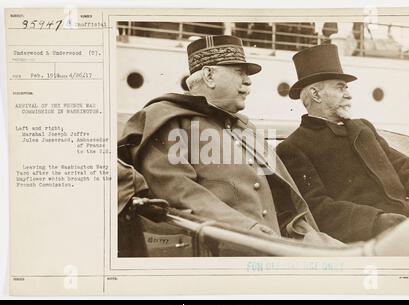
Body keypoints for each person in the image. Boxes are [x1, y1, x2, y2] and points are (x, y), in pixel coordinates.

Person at [118, 35, 341, 246]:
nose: (248, 82)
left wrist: (314, 240)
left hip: (275, 248)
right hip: (227, 251)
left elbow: (284, 202)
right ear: (209, 76)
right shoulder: (169, 121)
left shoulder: (245, 129)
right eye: (239, 72)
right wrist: (247, 228)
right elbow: (179, 193)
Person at [276, 44, 409, 243]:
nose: (349, 95)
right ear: (316, 94)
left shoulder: (363, 127)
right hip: (373, 238)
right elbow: (317, 208)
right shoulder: (293, 147)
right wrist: (377, 222)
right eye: (340, 87)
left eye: (347, 88)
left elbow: (402, 165)